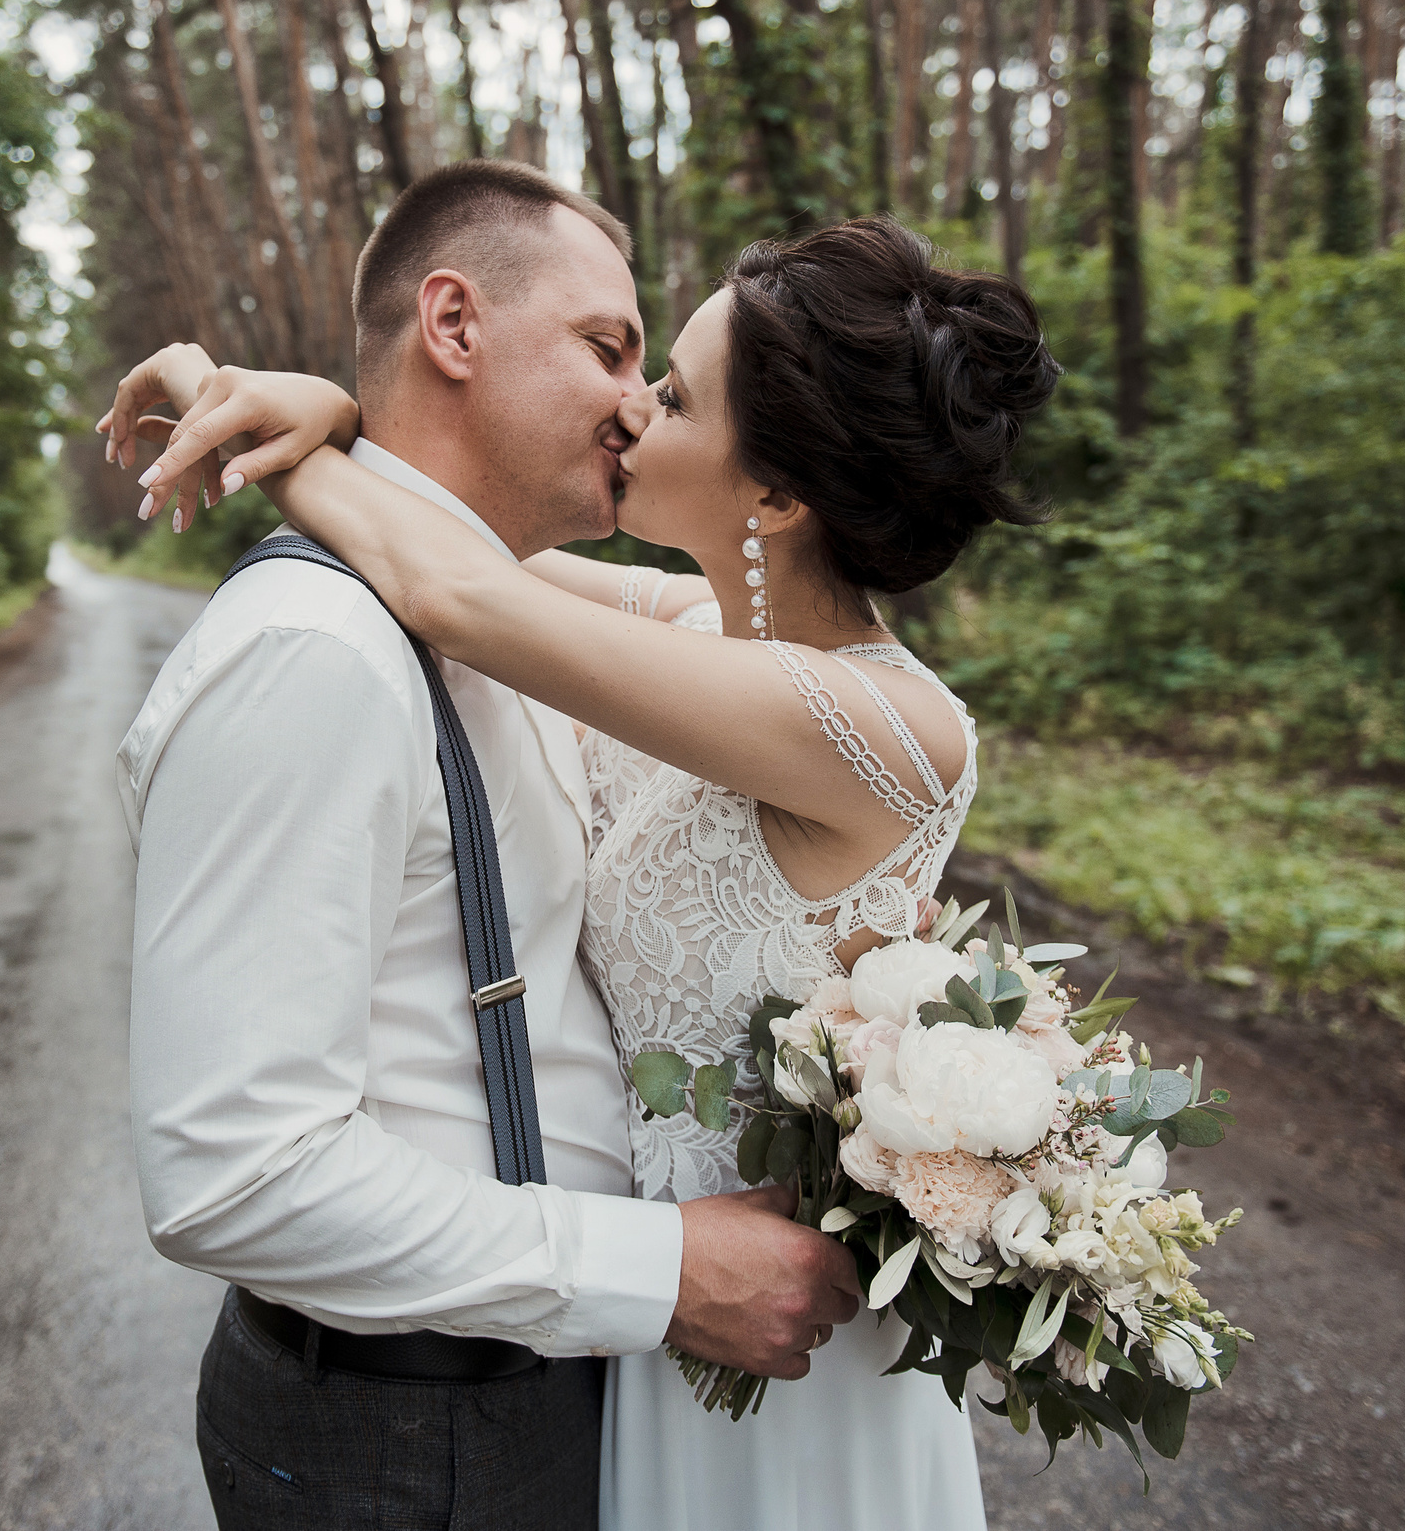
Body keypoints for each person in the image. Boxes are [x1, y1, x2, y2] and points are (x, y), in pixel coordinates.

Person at [113, 199, 1060, 1529]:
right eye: (626, 369)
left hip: (778, 1349)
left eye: (669, 392)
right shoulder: (693, 627)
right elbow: (457, 545)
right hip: (653, 1330)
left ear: (778, 494)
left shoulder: (889, 728)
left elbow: (464, 598)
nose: (628, 411)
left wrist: (265, 411)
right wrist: (341, 416)